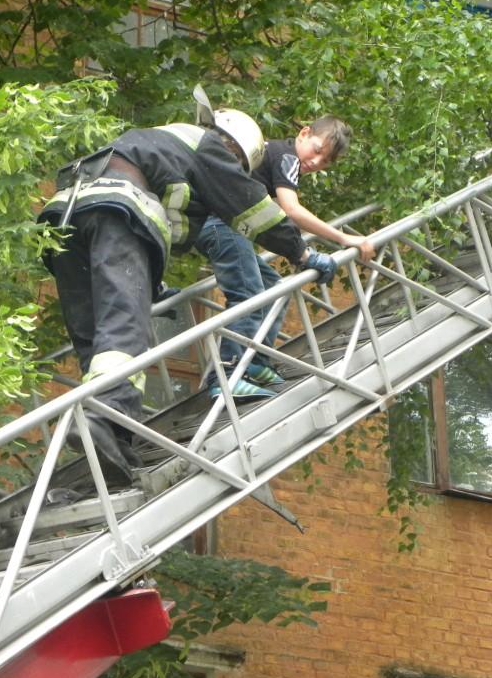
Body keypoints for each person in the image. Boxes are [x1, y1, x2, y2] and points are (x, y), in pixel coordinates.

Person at [39, 108, 340, 480]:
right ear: (233, 148)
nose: (233, 170)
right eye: (238, 164)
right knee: (123, 327)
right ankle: (105, 419)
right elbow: (254, 209)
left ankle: (109, 438)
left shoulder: (161, 145)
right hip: (115, 210)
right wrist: (302, 253)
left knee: (95, 338)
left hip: (66, 218)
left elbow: (172, 228)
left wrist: (150, 283)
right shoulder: (209, 146)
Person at [195, 116, 376, 399]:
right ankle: (227, 375)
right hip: (221, 223)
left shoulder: (274, 154)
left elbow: (274, 221)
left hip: (219, 224)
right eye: (317, 150)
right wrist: (344, 238)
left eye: (325, 162)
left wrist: (298, 251)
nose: (316, 162)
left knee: (273, 287)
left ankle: (255, 360)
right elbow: (292, 210)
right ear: (303, 133)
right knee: (248, 294)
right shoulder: (288, 157)